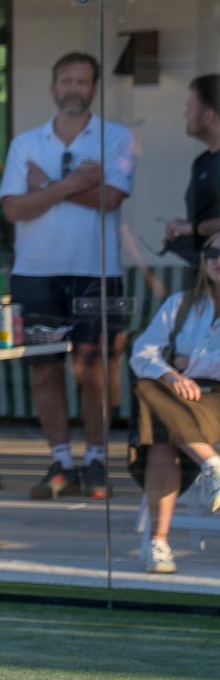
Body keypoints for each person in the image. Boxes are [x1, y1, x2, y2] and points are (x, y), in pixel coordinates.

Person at [0, 51, 134, 502]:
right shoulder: (26, 143)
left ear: (94, 89)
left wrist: (46, 187)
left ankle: (96, 461)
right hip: (35, 276)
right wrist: (76, 183)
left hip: (99, 275)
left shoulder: (117, 137)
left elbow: (112, 198)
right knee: (44, 371)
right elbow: (14, 208)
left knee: (96, 371)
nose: (74, 88)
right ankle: (60, 461)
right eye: (67, 81)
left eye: (83, 82)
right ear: (53, 88)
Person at [128, 243, 220, 574]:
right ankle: (212, 465)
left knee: (158, 423)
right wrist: (170, 372)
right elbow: (141, 353)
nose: (218, 261)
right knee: (148, 387)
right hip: (180, 393)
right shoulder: (181, 304)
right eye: (212, 254)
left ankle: (159, 543)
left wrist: (190, 362)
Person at [162, 74, 220, 265]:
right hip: (204, 275)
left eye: (190, 108)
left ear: (209, 115)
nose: (185, 114)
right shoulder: (202, 162)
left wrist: (193, 228)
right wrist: (184, 235)